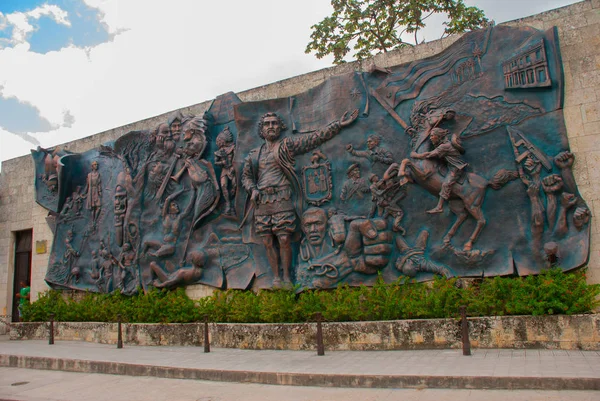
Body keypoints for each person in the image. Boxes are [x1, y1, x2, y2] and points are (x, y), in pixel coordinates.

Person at [241, 109, 358, 288]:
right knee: (266, 241)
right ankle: (276, 278)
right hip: (262, 201)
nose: (271, 126)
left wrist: (337, 125)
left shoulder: (286, 145)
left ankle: (287, 278)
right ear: (261, 129)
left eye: (274, 123)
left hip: (283, 197)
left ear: (280, 127)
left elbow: (313, 139)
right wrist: (252, 189)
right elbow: (246, 177)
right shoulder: (253, 154)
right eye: (267, 124)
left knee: (283, 239)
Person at [410, 127, 467, 214]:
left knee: (446, 184)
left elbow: (429, 155)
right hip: (448, 165)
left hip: (456, 168)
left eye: (433, 136)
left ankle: (439, 207)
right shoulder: (444, 145)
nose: (430, 138)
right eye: (430, 136)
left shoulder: (444, 146)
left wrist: (415, 155)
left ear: (439, 136)